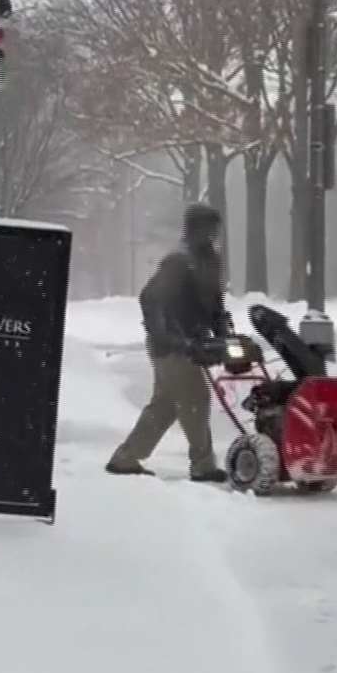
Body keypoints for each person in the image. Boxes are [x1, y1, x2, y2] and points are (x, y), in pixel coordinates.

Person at [106, 203, 231, 482]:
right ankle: (202, 464)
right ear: (194, 228)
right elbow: (150, 298)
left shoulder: (211, 260)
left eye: (216, 229)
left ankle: (125, 458)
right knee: (196, 398)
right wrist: (173, 338)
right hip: (172, 345)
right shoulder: (178, 261)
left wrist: (222, 328)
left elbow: (213, 301)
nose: (212, 234)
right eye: (208, 228)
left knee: (164, 405)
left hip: (192, 341)